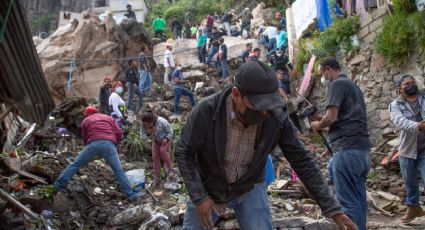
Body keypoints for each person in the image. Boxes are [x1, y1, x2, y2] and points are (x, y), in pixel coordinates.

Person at [175, 61, 357, 230]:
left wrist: (332, 208)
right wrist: (199, 197)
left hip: (249, 187)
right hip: (210, 186)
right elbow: (184, 151)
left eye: (268, 106)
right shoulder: (207, 111)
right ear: (237, 94)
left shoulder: (276, 116)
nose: (264, 113)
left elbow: (302, 160)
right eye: (258, 106)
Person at [311, 57, 371, 230]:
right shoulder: (353, 87)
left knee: (348, 202)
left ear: (329, 69)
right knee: (358, 199)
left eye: (322, 73)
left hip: (347, 149)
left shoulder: (336, 85)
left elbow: (331, 117)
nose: (322, 77)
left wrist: (318, 125)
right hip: (362, 150)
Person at [54, 106, 142, 201]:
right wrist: (114, 143)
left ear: (86, 114)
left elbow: (85, 137)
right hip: (109, 145)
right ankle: (131, 194)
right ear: (97, 111)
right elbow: (119, 132)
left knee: (75, 164)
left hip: (93, 144)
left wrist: (90, 150)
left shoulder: (86, 121)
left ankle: (56, 187)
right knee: (118, 170)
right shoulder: (108, 118)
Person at [389, 75, 425, 223]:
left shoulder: (424, 97)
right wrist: (418, 126)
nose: (411, 85)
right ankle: (414, 208)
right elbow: (400, 122)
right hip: (407, 149)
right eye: (406, 84)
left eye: (412, 82)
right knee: (410, 182)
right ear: (400, 89)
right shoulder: (395, 105)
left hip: (424, 149)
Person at [140, 109, 176, 187]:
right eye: (145, 124)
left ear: (153, 120)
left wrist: (166, 138)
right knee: (155, 157)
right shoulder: (143, 125)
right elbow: (142, 137)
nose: (147, 125)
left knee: (162, 150)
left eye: (148, 123)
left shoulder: (162, 121)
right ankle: (157, 177)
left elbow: (170, 131)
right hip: (156, 141)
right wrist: (149, 133)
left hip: (166, 139)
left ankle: (170, 170)